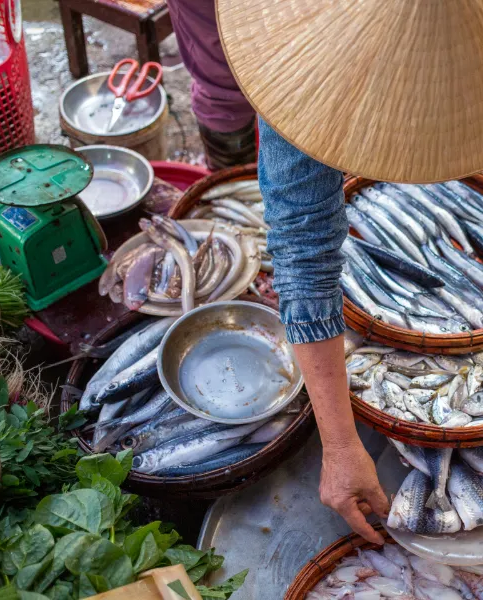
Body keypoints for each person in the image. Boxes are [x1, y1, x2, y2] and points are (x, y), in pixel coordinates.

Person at [166, 0, 390, 544]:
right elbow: (303, 245)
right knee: (225, 90)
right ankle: (231, 150)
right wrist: (339, 445)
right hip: (244, 22)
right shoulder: (307, 39)